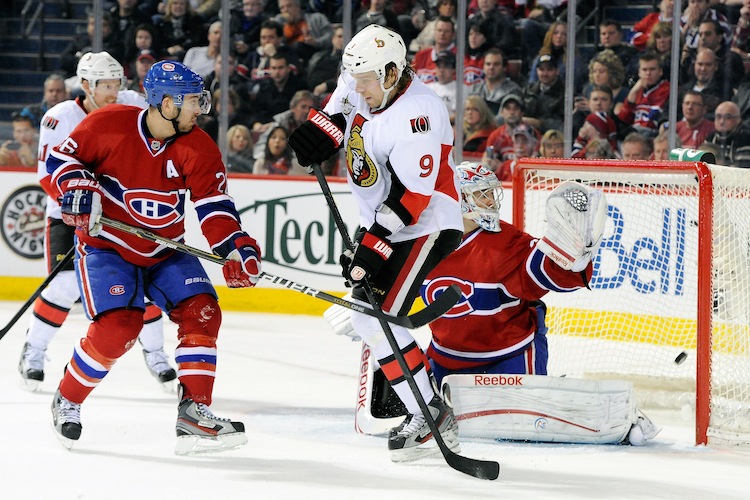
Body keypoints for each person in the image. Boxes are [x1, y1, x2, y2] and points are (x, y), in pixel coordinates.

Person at [324, 162, 660, 446]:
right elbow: (393, 292)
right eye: (481, 194)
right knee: (435, 415)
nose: (491, 201)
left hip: (508, 357)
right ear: (458, 200)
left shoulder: (506, 242)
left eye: (490, 192)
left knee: (522, 432)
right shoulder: (422, 242)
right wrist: (367, 308)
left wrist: (573, 257)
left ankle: (617, 416)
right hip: (446, 358)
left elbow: (549, 276)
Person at [46, 60, 262, 454]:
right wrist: (76, 185)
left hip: (165, 249)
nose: (200, 109)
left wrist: (235, 246)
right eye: (193, 101)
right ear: (165, 103)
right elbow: (61, 160)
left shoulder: (198, 146)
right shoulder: (108, 123)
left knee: (203, 311)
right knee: (119, 329)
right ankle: (69, 398)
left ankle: (194, 412)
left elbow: (214, 205)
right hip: (106, 247)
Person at [288, 24, 464, 462]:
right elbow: (336, 116)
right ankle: (426, 409)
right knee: (368, 320)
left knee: (373, 317)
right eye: (356, 79)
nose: (359, 88)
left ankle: (430, 413)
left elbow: (413, 198)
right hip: (385, 223)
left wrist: (374, 244)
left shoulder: (419, 113)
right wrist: (318, 137)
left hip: (425, 225)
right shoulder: (360, 76)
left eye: (367, 82)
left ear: (390, 73)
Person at [18, 52, 177, 393]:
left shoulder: (133, 105)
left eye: (117, 83)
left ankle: (155, 353)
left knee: (141, 288)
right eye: (106, 85)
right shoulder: (60, 117)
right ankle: (35, 349)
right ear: (87, 85)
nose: (113, 91)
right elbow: (48, 173)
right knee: (62, 286)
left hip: (121, 217)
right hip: (68, 215)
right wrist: (77, 203)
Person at [617, 52, 669, 139]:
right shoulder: (637, 91)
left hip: (654, 135)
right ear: (639, 72)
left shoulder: (668, 89)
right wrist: (632, 93)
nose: (648, 73)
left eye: (652, 69)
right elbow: (623, 120)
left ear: (660, 71)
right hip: (634, 134)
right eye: (644, 70)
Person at [469, 47, 521, 115]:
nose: (491, 67)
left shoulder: (513, 90)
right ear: (483, 67)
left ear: (504, 68)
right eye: (488, 64)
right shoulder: (475, 88)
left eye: (496, 64)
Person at [702, 100, 750, 167]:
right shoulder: (711, 137)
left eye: (728, 117)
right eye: (718, 117)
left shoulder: (746, 139)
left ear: (738, 120)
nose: (722, 121)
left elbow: (741, 170)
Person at [462, 95, 497, 160]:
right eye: (467, 109)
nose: (470, 112)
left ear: (482, 112)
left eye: (475, 109)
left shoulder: (491, 133)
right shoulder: (458, 132)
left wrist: (459, 154)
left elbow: (488, 157)